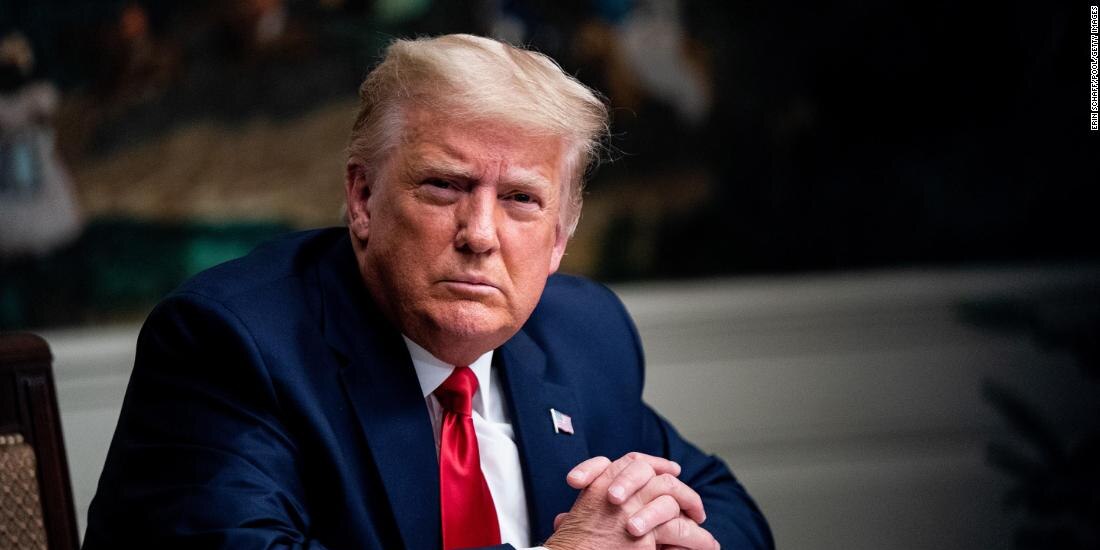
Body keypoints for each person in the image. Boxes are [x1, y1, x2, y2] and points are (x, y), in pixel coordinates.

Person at [82, 34, 772, 550]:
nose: (480, 234)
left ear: (561, 235)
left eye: (522, 200)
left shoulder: (583, 334)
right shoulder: (231, 344)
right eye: (444, 186)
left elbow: (731, 514)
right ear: (362, 197)